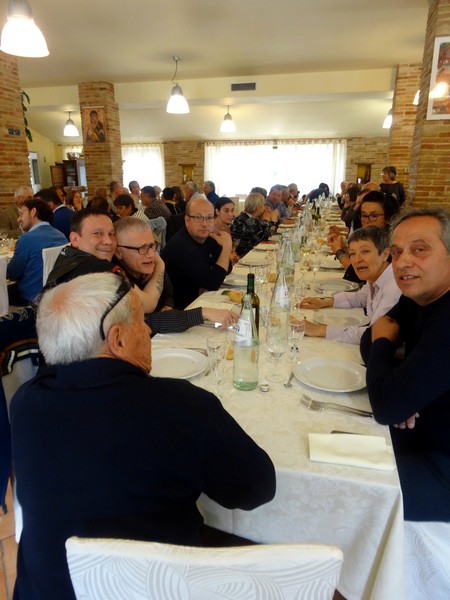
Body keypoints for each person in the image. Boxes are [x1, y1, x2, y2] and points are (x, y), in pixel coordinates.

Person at [10, 271, 276, 599]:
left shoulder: (24, 403)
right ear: (118, 340)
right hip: (155, 589)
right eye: (140, 321)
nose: (149, 329)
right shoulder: (180, 408)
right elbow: (257, 489)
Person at [360, 207, 450, 521]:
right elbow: (368, 341)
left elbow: (387, 405)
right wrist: (404, 387)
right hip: (417, 435)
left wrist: (400, 392)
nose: (403, 262)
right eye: (397, 252)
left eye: (419, 250)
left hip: (440, 466)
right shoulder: (418, 296)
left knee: (340, 484)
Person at [115, 218, 237, 331]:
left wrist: (168, 306)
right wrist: (203, 313)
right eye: (141, 248)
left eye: (152, 245)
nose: (151, 254)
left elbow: (169, 293)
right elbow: (144, 322)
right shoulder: (115, 280)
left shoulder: (153, 263)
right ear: (118, 252)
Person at [47, 208, 164, 315]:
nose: (108, 241)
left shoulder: (67, 256)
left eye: (111, 234)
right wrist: (160, 265)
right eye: (97, 233)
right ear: (75, 239)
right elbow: (148, 304)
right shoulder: (99, 270)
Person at [301, 226, 401, 344]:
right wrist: (323, 302)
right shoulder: (375, 276)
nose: (357, 260)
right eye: (352, 253)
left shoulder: (393, 288)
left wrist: (318, 329)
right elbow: (359, 298)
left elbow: (374, 335)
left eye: (365, 251)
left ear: (385, 254)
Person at [162, 198, 233, 308]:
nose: (204, 224)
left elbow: (227, 269)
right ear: (187, 220)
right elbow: (214, 283)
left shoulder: (208, 238)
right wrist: (227, 247)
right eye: (198, 218)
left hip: (200, 301)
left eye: (209, 218)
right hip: (181, 309)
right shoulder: (181, 245)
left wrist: (208, 280)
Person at [7, 199, 67, 305]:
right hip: (54, 293)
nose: (18, 219)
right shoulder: (60, 235)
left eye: (21, 214)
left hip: (30, 297)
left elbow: (12, 274)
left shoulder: (27, 239)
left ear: (33, 212)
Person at [231, 192, 278, 258]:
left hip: (249, 253)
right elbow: (264, 239)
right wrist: (269, 221)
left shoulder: (245, 217)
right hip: (244, 256)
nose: (265, 207)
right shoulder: (248, 221)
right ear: (257, 207)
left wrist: (263, 220)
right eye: (263, 205)